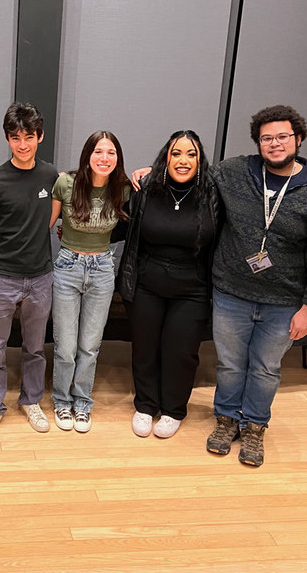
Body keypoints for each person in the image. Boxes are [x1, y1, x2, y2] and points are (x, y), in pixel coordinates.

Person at [205, 105, 307, 466]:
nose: (275, 144)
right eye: (267, 138)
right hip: (231, 292)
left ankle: (254, 427)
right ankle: (226, 419)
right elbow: (188, 175)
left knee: (266, 368)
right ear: (258, 143)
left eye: (283, 136)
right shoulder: (234, 172)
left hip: (284, 302)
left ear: (298, 139)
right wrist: (147, 170)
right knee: (231, 364)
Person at [119, 130, 219, 440]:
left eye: (191, 154)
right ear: (166, 157)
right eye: (176, 153)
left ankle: (174, 409)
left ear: (200, 160)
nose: (183, 160)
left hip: (193, 288)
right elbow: (120, 224)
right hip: (146, 283)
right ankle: (146, 405)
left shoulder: (213, 194)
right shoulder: (147, 189)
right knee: (145, 347)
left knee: (181, 351)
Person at [0, 102, 58, 443]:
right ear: (8, 139)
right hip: (2, 278)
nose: (23, 144)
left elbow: (53, 213)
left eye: (29, 137)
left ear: (40, 137)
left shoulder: (50, 176)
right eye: (15, 137)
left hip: (41, 277)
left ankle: (31, 401)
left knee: (35, 347)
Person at [49, 131, 130, 434]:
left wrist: (145, 172)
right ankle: (61, 400)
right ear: (87, 155)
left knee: (90, 346)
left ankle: (82, 402)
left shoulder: (123, 188)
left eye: (111, 153)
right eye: (98, 152)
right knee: (66, 346)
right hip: (68, 266)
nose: (104, 158)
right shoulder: (66, 184)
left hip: (102, 267)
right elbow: (47, 222)